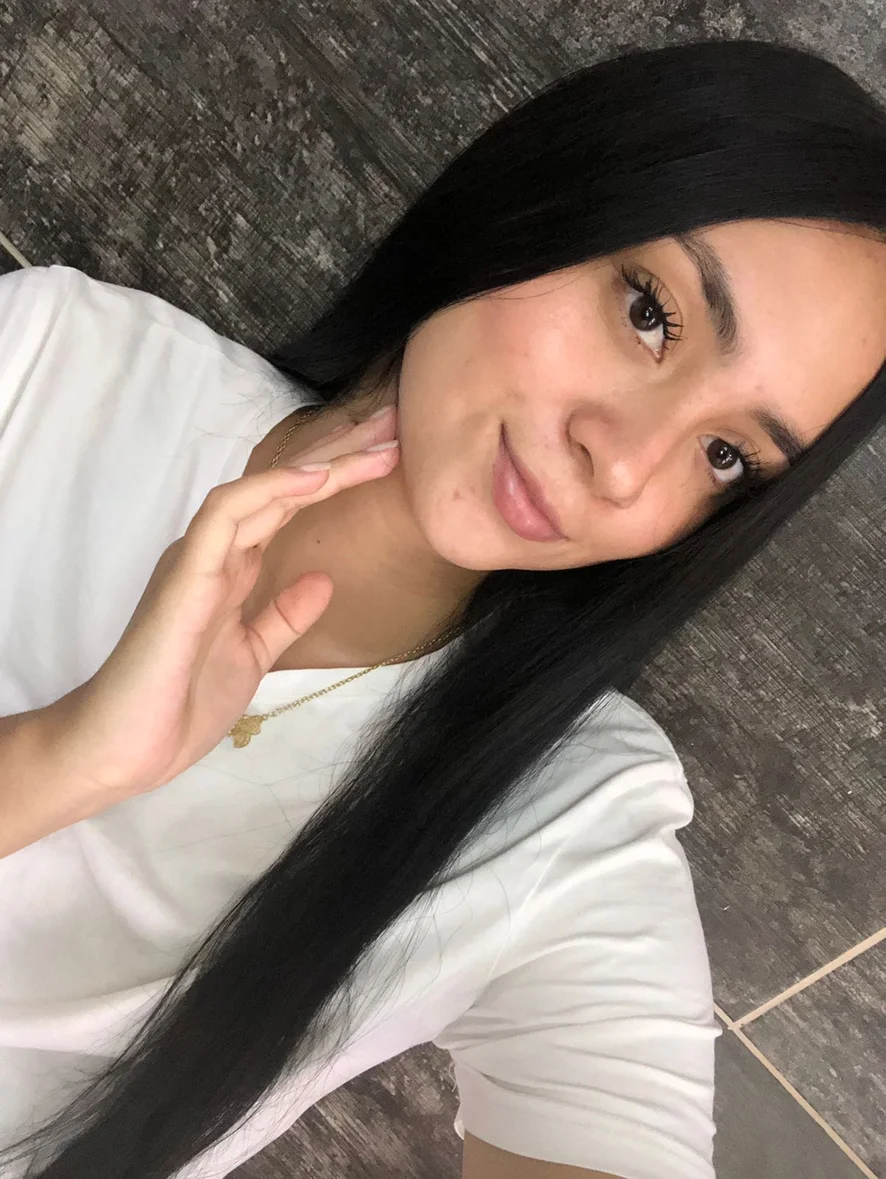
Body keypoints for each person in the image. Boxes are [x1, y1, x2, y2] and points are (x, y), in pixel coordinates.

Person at [0, 34, 884, 1179]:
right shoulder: (53, 362)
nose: (624, 465)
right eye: (650, 314)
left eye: (724, 455)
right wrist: (62, 759)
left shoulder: (571, 821)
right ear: (540, 202)